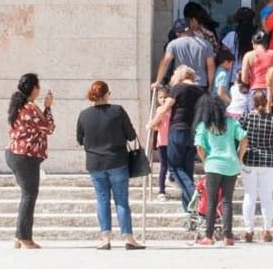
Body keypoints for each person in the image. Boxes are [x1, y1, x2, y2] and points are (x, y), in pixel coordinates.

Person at [75, 79, 143, 250]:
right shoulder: (117, 111)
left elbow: (80, 139)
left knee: (102, 200)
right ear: (106, 94)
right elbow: (131, 135)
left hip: (95, 163)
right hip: (117, 161)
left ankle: (105, 238)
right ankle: (128, 238)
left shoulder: (84, 115)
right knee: (121, 200)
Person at [4, 73, 54, 250]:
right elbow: (49, 128)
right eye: (38, 86)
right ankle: (25, 238)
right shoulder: (31, 108)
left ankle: (20, 235)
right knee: (29, 195)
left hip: (15, 154)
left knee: (27, 195)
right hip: (25, 157)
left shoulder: (19, 106)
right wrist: (48, 108)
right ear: (34, 89)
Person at [193, 92, 245, 246]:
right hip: (231, 164)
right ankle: (228, 236)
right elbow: (244, 139)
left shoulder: (203, 125)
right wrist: (239, 157)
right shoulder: (231, 122)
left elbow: (199, 147)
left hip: (213, 165)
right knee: (227, 201)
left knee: (211, 201)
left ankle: (208, 236)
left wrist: (206, 161)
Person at [151, 65, 205, 207]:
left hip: (178, 129)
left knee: (174, 167)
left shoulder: (178, 88)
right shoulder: (200, 91)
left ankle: (193, 192)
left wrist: (152, 123)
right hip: (194, 131)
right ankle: (190, 211)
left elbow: (165, 108)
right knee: (187, 171)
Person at [238, 88, 273, 242]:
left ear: (252, 103)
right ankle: (267, 229)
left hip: (249, 160)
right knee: (266, 196)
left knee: (249, 195)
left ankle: (248, 229)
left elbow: (240, 139)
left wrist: (239, 158)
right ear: (266, 103)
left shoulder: (245, 118)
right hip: (269, 161)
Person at [156, 17, 216, 89]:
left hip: (180, 83)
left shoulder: (173, 44)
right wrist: (210, 85)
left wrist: (158, 82)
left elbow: (165, 62)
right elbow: (211, 66)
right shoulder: (206, 44)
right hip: (200, 84)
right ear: (191, 29)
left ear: (177, 33)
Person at [151, 83, 173, 197]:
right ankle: (161, 190)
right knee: (163, 166)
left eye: (165, 97)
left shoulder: (173, 110)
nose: (163, 100)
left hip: (172, 142)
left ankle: (171, 177)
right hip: (162, 142)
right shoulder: (159, 110)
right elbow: (155, 127)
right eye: (160, 97)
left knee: (173, 164)